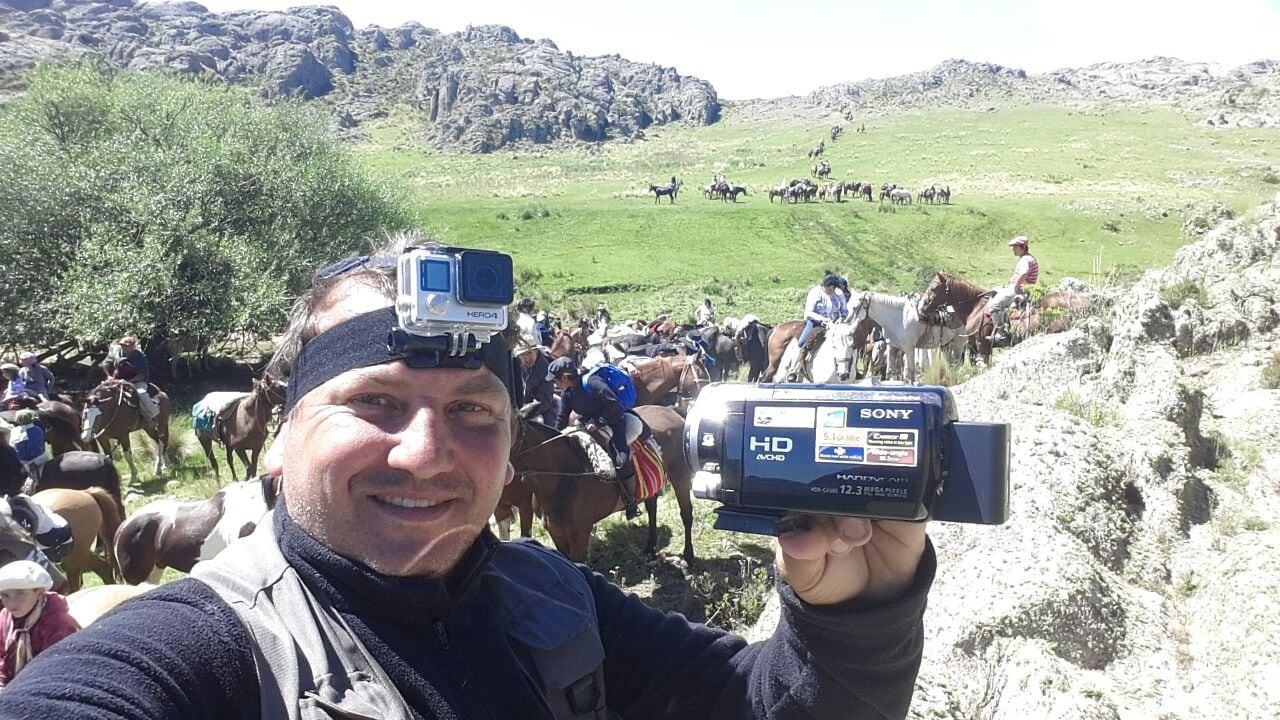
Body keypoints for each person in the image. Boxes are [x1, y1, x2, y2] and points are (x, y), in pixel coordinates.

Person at [0, 236, 934, 719]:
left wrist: (854, 614)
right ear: (278, 437)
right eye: (372, 403)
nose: (427, 453)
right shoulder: (199, 652)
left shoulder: (560, 602)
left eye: (474, 409)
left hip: (596, 409)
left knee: (611, 439)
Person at [548, 356, 645, 520]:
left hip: (613, 422)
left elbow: (613, 403)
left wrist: (598, 422)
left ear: (565, 377)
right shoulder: (568, 393)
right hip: (587, 426)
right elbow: (562, 418)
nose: (554, 384)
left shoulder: (592, 382)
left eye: (555, 380)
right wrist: (554, 439)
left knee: (620, 460)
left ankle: (631, 501)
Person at [0, 561, 79, 688]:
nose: (12, 603)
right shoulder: (4, 617)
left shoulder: (58, 623)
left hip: (44, 683)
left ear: (40, 592)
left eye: (21, 594)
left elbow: (58, 665)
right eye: (5, 595)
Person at [787, 274, 851, 381]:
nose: (830, 290)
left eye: (832, 288)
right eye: (828, 288)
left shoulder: (839, 294)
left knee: (847, 341)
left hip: (835, 324)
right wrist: (822, 319)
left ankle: (851, 368)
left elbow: (844, 311)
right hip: (816, 323)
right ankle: (794, 369)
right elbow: (809, 312)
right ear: (824, 286)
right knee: (803, 342)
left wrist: (841, 318)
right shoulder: (816, 292)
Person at [986, 236, 1040, 343]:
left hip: (1021, 289)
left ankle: (1000, 332)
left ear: (1023, 247)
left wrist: (1016, 286)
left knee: (993, 305)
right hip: (1024, 288)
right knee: (994, 290)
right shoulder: (1030, 258)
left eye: (1015, 247)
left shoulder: (1025, 260)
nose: (1013, 250)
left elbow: (1024, 272)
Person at [106, 336, 160, 428]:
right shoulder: (117, 354)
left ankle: (150, 417)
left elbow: (142, 375)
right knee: (103, 392)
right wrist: (109, 376)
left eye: (127, 346)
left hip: (136, 381)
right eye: (122, 345)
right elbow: (106, 364)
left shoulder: (140, 357)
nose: (124, 347)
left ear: (133, 346)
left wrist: (127, 381)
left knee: (141, 393)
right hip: (118, 380)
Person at [513, 340, 557, 426]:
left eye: (529, 353)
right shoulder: (514, 365)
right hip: (515, 408)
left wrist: (527, 411)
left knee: (541, 423)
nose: (527, 359)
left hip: (535, 409)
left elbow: (545, 398)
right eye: (522, 355)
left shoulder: (546, 368)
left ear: (536, 351)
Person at [9, 410, 48, 488]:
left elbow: (17, 450)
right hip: (41, 456)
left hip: (26, 461)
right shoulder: (38, 429)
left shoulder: (16, 432)